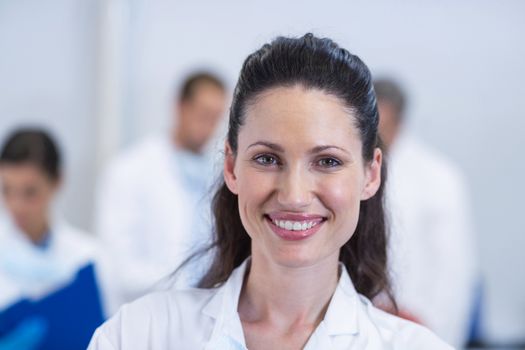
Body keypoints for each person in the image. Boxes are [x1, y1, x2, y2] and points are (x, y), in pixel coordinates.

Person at [88, 34, 452, 349]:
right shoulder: (136, 336)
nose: (294, 196)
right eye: (266, 158)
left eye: (327, 162)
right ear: (231, 167)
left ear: (371, 174)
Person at [95, 72, 228, 303]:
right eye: (203, 114)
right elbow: (118, 269)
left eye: (215, 117)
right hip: (147, 311)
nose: (209, 126)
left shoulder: (221, 175)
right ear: (180, 107)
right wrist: (187, 282)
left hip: (207, 309)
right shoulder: (130, 170)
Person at [374, 78, 477, 348]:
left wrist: (430, 326)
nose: (375, 135)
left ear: (399, 121)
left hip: (421, 321)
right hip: (367, 319)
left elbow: (453, 269)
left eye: (382, 126)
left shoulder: (439, 177)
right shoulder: (351, 171)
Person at [0, 128, 115, 349]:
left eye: (30, 192)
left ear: (57, 181)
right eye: (6, 190)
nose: (16, 205)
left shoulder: (90, 256)